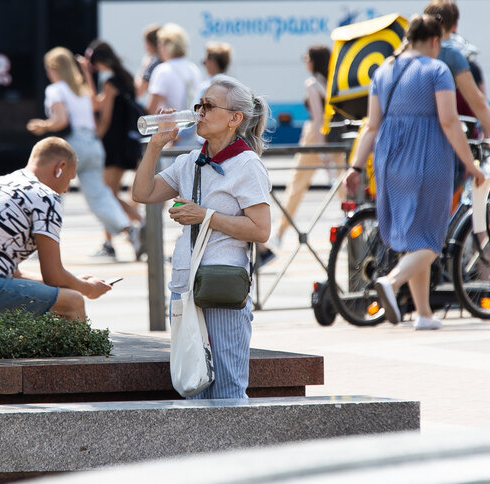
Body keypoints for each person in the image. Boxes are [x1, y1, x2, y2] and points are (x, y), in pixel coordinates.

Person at [132, 75, 271, 399]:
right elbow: (143, 192)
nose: (199, 112)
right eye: (199, 105)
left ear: (234, 119)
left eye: (209, 106)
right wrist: (156, 144)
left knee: (227, 389)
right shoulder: (190, 161)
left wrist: (205, 216)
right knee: (192, 383)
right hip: (184, 287)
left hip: (221, 285)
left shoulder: (247, 165)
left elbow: (260, 229)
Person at [344, 14, 486, 330]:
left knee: (414, 237)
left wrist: (355, 165)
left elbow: (371, 125)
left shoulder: (383, 70)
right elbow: (449, 121)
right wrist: (469, 163)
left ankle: (424, 314)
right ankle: (392, 282)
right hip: (428, 157)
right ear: (435, 40)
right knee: (431, 240)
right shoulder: (437, 70)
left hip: (388, 160)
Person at [0, 137, 111, 321]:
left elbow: (10, 273)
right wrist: (88, 289)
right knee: (72, 302)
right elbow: (54, 276)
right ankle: (81, 351)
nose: (66, 189)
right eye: (69, 179)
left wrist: (75, 282)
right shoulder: (45, 196)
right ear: (59, 167)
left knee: (59, 294)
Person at [27, 46, 142, 260]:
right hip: (93, 145)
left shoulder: (56, 90)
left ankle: (41, 245)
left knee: (51, 193)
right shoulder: (82, 91)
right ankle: (130, 230)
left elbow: (61, 120)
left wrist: (42, 126)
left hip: (71, 145)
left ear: (54, 69)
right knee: (100, 195)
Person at [423, 0, 490, 157]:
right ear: (455, 26)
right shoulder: (451, 55)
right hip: (440, 144)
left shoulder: (405, 53)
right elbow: (477, 101)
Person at [78, 40, 146, 259]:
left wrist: (94, 138)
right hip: (126, 144)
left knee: (107, 195)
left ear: (99, 61)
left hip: (113, 146)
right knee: (110, 195)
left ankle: (142, 226)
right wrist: (88, 76)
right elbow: (98, 103)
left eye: (91, 63)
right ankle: (111, 242)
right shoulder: (124, 78)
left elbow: (103, 116)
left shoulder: (110, 83)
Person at [274, 45, 344, 245]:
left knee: (297, 184)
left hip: (315, 136)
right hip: (336, 134)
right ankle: (354, 227)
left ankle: (279, 233)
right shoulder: (332, 81)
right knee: (342, 185)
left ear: (314, 61)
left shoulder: (312, 84)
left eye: (307, 57)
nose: (305, 61)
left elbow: (318, 118)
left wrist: (322, 150)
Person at [146, 23, 205, 147]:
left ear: (167, 45)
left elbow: (151, 110)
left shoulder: (162, 70)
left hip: (171, 138)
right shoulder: (193, 68)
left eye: (161, 43)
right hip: (193, 136)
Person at [135, 24, 162, 99]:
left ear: (151, 44)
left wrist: (144, 67)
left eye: (146, 42)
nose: (145, 47)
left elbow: (138, 91)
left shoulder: (154, 62)